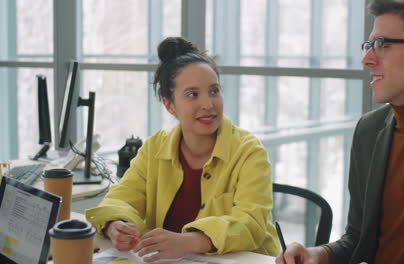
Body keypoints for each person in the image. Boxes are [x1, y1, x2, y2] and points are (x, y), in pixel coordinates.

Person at [276, 0, 404, 263]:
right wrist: (319, 254)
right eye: (368, 45)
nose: (367, 59)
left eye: (383, 45)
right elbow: (358, 238)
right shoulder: (369, 129)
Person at [86, 37, 279, 262]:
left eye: (214, 91)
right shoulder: (154, 148)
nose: (207, 104)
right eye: (192, 94)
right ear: (169, 105)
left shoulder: (249, 151)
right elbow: (120, 199)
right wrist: (114, 225)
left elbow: (251, 223)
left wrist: (190, 241)